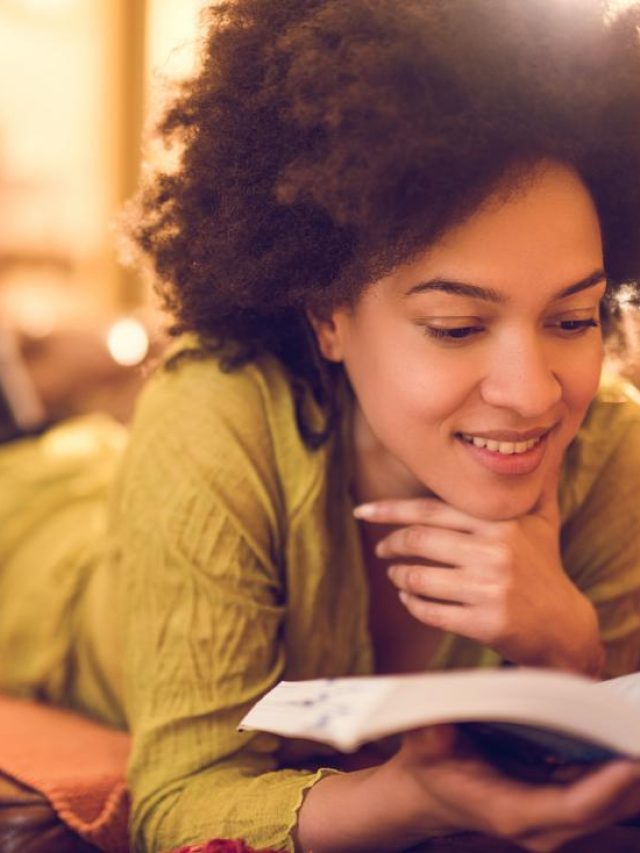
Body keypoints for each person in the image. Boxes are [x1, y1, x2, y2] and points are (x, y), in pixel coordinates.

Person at [2, 0, 640, 851]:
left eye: (572, 319)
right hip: (32, 531)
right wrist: (410, 797)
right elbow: (181, 800)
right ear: (328, 314)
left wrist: (570, 654)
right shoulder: (213, 417)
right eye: (455, 326)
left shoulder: (609, 449)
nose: (532, 395)